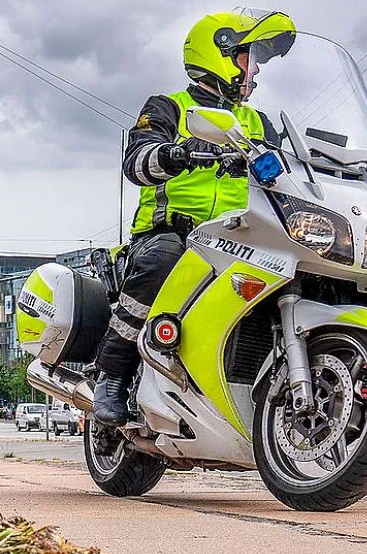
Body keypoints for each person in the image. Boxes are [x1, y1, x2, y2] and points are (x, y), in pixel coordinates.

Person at [92, 10, 296, 427]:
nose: (254, 68)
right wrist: (175, 153)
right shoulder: (168, 108)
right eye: (248, 56)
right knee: (162, 261)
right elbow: (136, 163)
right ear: (218, 53)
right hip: (173, 232)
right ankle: (111, 374)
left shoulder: (259, 123)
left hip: (242, 238)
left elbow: (291, 175)